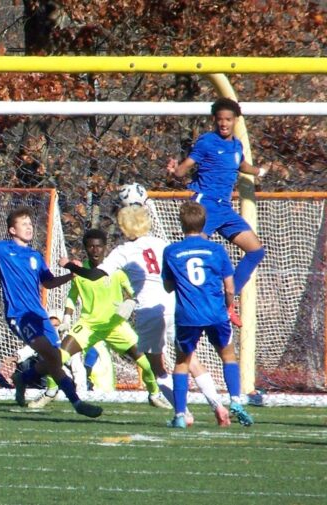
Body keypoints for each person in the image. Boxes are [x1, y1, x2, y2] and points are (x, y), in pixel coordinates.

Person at [62, 205, 231, 425]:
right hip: (173, 307)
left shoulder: (123, 251)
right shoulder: (162, 244)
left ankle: (183, 413)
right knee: (190, 360)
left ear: (123, 226)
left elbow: (94, 275)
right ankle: (217, 405)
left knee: (157, 368)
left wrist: (69, 265)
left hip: (148, 311)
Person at [0, 205, 102, 418]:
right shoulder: (2, 249)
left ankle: (23, 378)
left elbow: (47, 283)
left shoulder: (35, 256)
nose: (29, 227)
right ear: (12, 230)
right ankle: (77, 403)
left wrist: (70, 276)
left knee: (56, 358)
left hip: (40, 315)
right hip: (20, 315)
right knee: (50, 355)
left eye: (30, 224)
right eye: (23, 224)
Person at [31, 229, 169, 410]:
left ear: (105, 248)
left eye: (99, 246)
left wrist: (130, 302)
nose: (95, 250)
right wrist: (66, 317)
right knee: (57, 357)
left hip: (115, 326)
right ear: (86, 249)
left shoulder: (117, 271)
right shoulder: (80, 272)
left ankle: (154, 393)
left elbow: (135, 292)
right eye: (90, 246)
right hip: (88, 325)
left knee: (147, 362)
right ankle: (51, 390)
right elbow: (72, 296)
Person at [166, 97, 267, 325]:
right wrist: (175, 171)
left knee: (256, 250)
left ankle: (226, 301)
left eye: (228, 120)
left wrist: (259, 172)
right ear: (215, 120)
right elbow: (185, 169)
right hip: (206, 205)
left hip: (224, 208)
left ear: (235, 121)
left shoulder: (236, 145)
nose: (224, 124)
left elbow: (241, 165)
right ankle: (188, 298)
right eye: (220, 119)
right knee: (194, 252)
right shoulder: (207, 142)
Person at [162, 201, 254, 429]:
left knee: (182, 363)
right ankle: (235, 400)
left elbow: (167, 286)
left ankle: (181, 415)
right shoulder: (216, 250)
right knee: (228, 356)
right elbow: (230, 287)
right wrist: (228, 306)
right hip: (216, 313)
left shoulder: (171, 251)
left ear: (181, 224)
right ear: (205, 223)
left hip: (187, 316)